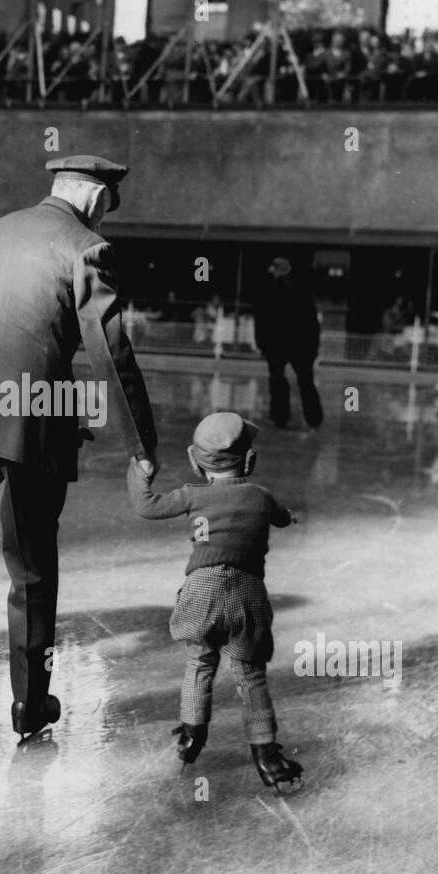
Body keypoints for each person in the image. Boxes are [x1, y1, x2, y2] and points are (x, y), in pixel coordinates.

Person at [0, 154, 158, 741]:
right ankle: (29, 707)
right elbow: (110, 352)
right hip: (33, 418)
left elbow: (5, 329)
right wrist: (140, 443)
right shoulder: (87, 247)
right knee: (32, 571)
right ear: (98, 199)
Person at [127, 412, 302, 790]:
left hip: (201, 593)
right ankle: (267, 757)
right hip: (247, 595)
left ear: (193, 460)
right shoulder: (261, 496)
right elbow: (282, 517)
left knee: (199, 664)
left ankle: (192, 736)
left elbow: (147, 506)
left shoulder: (192, 495)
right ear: (250, 461)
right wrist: (291, 518)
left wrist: (139, 470)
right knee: (251, 677)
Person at [253, 257, 323, 431]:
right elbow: (312, 323)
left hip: (276, 345)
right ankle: (313, 418)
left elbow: (262, 321)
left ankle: (280, 417)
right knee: (305, 381)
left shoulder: (268, 291)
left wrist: (262, 344)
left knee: (277, 381)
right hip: (301, 346)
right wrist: (313, 347)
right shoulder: (302, 291)